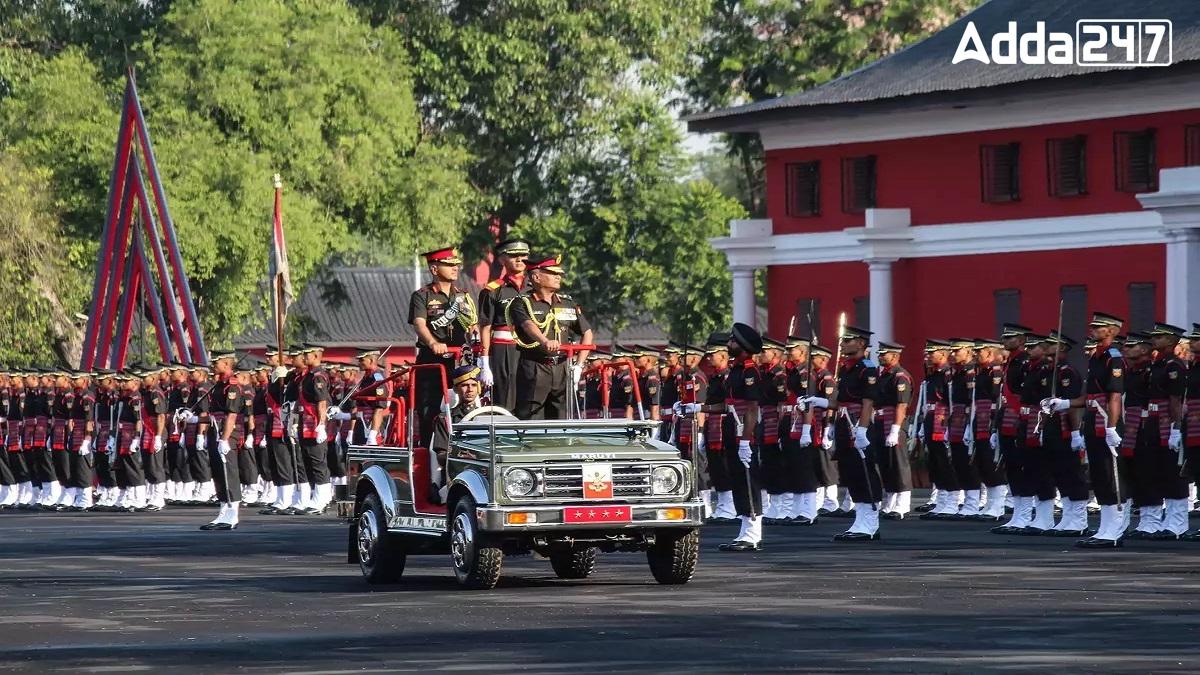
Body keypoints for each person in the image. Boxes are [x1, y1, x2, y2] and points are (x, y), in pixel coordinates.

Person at [507, 255, 593, 420]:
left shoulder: (566, 303)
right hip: (535, 366)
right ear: (536, 277)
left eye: (558, 274)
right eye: (552, 273)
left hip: (562, 367)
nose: (558, 277)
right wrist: (545, 341)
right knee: (531, 418)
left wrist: (579, 366)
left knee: (561, 418)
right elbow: (527, 325)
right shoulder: (522, 302)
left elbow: (587, 332)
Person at [409, 247, 476, 444]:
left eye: (456, 264)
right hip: (432, 359)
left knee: (466, 402)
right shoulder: (422, 295)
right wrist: (433, 343)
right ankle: (430, 450)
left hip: (459, 358)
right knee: (429, 408)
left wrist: (474, 332)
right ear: (434, 269)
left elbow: (472, 321)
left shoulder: (463, 295)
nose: (455, 267)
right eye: (449, 264)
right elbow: (419, 324)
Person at [1076, 313, 1128, 547]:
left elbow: (1114, 396)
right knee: (1098, 475)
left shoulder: (1113, 358)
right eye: (1093, 326)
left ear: (1112, 331)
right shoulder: (1096, 357)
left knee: (1111, 475)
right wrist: (1066, 403)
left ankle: (1115, 529)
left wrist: (1112, 427)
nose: (1093, 329)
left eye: (1099, 327)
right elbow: (1089, 396)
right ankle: (1104, 527)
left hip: (1106, 419)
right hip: (1092, 417)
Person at [830, 326, 883, 542]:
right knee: (851, 472)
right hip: (845, 423)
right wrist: (819, 402)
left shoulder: (867, 369)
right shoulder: (846, 369)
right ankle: (860, 520)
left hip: (859, 424)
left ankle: (871, 522)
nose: (842, 343)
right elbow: (840, 401)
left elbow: (868, 402)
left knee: (865, 472)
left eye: (848, 340)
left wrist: (862, 430)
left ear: (861, 343)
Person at [717, 323, 765, 552]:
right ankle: (744, 529)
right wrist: (696, 408)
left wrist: (746, 440)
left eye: (733, 341)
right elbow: (726, 405)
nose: (729, 344)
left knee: (748, 481)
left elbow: (752, 408)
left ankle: (753, 532)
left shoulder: (749, 371)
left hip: (742, 432)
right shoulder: (735, 370)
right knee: (737, 479)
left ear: (744, 346)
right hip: (730, 428)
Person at [477, 238, 529, 411]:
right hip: (505, 349)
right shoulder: (492, 290)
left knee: (531, 396)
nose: (519, 260)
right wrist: (485, 361)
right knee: (506, 396)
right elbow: (485, 326)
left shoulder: (536, 287)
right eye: (514, 256)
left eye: (523, 255)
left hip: (533, 348)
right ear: (502, 260)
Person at [200, 351, 245, 531]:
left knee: (229, 472)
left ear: (226, 364)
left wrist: (224, 439)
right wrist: (193, 419)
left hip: (227, 433)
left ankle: (232, 514)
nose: (213, 364)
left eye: (216, 362)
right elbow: (213, 415)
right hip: (215, 430)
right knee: (218, 472)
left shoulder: (232, 386)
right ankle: (223, 511)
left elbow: (231, 416)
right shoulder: (219, 385)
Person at [430, 364, 486, 501]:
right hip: (456, 474)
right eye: (465, 385)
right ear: (455, 389)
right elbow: (440, 456)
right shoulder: (446, 419)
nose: (470, 389)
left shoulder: (490, 416)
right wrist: (459, 456)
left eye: (473, 385)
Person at [874, 342, 914, 520]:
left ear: (895, 356)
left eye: (884, 354)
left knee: (899, 463)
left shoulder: (900, 376)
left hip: (893, 422)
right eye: (880, 354)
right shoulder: (882, 375)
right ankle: (889, 501)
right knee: (885, 463)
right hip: (881, 421)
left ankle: (902, 504)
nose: (880, 356)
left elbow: (902, 404)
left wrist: (895, 430)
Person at [919, 340, 957, 520]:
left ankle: (952, 501)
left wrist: (951, 425)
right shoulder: (932, 374)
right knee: (933, 461)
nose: (927, 356)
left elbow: (951, 400)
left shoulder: (948, 373)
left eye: (931, 352)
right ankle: (941, 501)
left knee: (945, 460)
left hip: (942, 419)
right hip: (930, 417)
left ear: (942, 354)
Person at [970, 338, 1007, 522]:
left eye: (980, 351)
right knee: (983, 461)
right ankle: (990, 503)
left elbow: (997, 399)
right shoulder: (981, 372)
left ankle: (998, 505)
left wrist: (994, 426)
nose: (976, 355)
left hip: (991, 419)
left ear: (990, 353)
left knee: (992, 462)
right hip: (980, 418)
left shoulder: (996, 372)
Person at [701, 334, 737, 522]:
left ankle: (730, 506)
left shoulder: (728, 377)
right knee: (716, 467)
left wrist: (701, 408)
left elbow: (726, 404)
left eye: (711, 354)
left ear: (723, 355)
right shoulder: (715, 377)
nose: (708, 358)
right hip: (713, 425)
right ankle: (723, 505)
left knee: (725, 465)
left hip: (724, 425)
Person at [756, 336, 789, 524]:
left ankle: (783, 506)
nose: (760, 355)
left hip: (775, 420)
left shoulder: (779, 375)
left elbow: (782, 403)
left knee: (778, 464)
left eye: (764, 351)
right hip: (764, 419)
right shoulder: (764, 373)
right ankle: (773, 505)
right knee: (768, 463)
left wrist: (779, 427)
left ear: (775, 354)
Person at [138, 366, 168, 511]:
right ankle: (152, 496)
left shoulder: (156, 393)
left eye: (145, 378)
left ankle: (158, 498)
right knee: (149, 464)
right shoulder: (147, 393)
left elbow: (161, 416)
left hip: (156, 431)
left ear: (154, 378)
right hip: (149, 430)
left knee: (156, 465)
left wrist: (158, 437)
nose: (143, 381)